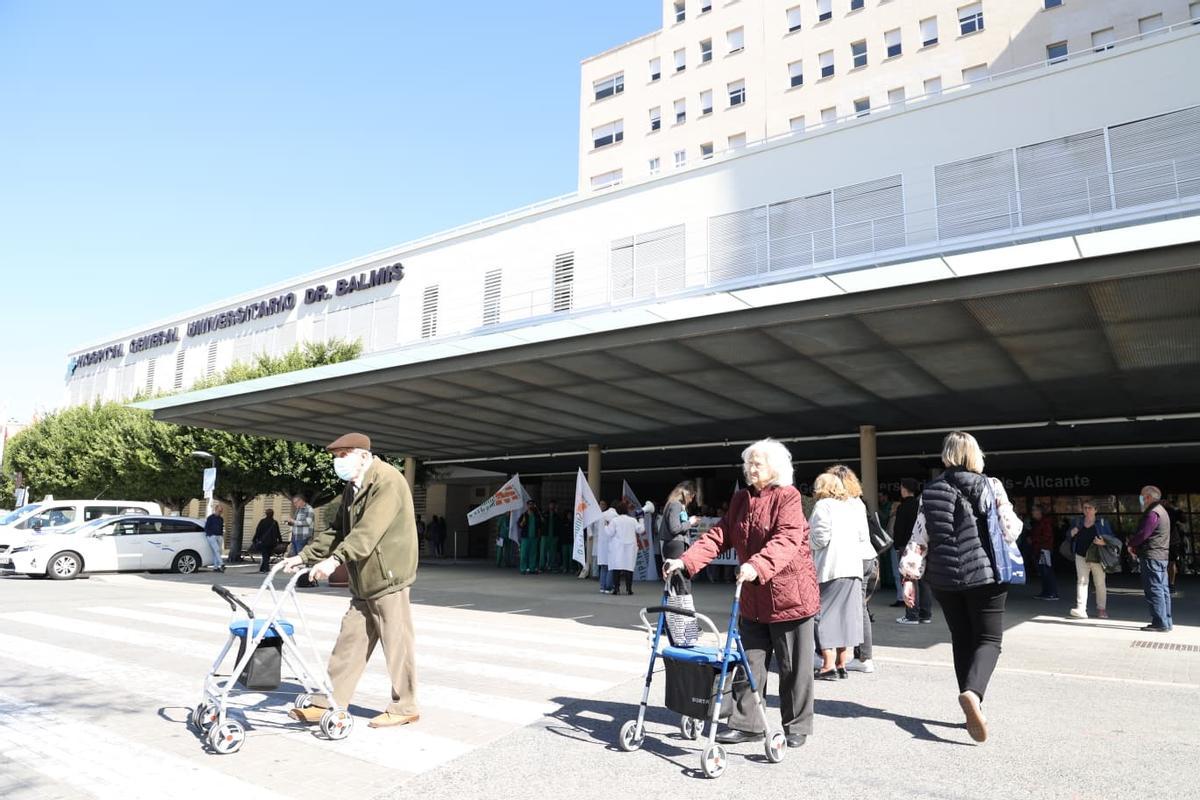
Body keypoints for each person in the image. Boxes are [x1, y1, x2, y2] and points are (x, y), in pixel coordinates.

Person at [663, 438, 818, 750]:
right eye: (748, 463)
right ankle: (748, 725)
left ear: (775, 467)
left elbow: (787, 538)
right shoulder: (741, 499)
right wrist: (686, 561)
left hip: (790, 596)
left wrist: (757, 565)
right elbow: (719, 535)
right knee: (749, 663)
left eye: (757, 463)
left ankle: (796, 725)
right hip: (752, 596)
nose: (750, 469)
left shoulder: (788, 497)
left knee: (793, 667)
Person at [283, 432, 420, 729]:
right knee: (349, 642)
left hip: (388, 576)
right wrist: (304, 556)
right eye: (336, 457)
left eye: (344, 456)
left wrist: (334, 560)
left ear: (364, 455)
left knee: (397, 643)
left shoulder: (387, 481)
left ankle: (405, 706)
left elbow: (367, 532)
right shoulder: (352, 487)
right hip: (364, 580)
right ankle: (329, 702)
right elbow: (338, 530)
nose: (339, 462)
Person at [899, 431, 1022, 744]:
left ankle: (971, 707)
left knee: (961, 639)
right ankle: (973, 694)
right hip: (985, 575)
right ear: (974, 454)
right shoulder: (990, 485)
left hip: (945, 579)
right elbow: (1010, 529)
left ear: (947, 456)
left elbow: (919, 538)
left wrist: (909, 577)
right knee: (989, 640)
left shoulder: (930, 491)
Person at [809, 469, 871, 680]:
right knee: (846, 617)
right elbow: (862, 536)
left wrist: (806, 542)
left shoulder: (823, 505)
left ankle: (828, 665)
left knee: (823, 616)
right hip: (853, 567)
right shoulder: (853, 505)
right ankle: (842, 664)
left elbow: (820, 538)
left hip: (831, 567)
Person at [1127, 485, 1172, 632]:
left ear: (1148, 497)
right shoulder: (1162, 511)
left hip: (1152, 556)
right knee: (1163, 589)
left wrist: (1131, 544)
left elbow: (1144, 533)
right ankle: (1166, 621)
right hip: (1161, 555)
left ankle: (1160, 622)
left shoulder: (1153, 513)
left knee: (1154, 588)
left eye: (1142, 496)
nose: (1141, 499)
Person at [1067, 501, 1119, 620]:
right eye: (1085, 508)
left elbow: (1112, 539)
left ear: (1096, 510)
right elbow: (1068, 536)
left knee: (1099, 583)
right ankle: (1081, 609)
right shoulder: (1078, 522)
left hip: (1097, 557)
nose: (1087, 510)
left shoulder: (1102, 523)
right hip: (1080, 556)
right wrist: (1071, 533)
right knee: (1082, 581)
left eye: (1090, 508)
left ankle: (1101, 609)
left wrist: (1103, 542)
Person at [894, 479, 932, 624]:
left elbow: (899, 528)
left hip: (907, 546)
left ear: (904, 489)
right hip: (922, 544)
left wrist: (897, 545)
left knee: (909, 578)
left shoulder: (902, 507)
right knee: (923, 580)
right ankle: (925, 614)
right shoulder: (919, 505)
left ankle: (912, 614)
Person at [607, 501, 643, 595]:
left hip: (618, 547)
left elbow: (609, 533)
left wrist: (605, 526)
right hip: (630, 547)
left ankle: (616, 589)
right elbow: (641, 530)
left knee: (616, 568)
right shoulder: (632, 520)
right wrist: (641, 519)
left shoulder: (615, 520)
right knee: (629, 568)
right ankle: (629, 589)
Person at [1029, 505, 1058, 601]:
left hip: (1044, 549)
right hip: (1041, 549)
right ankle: (1046, 592)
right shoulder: (1040, 522)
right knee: (1043, 571)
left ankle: (1051, 593)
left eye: (1034, 510)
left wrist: (1034, 540)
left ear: (1039, 512)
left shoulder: (1044, 522)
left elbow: (1046, 536)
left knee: (1047, 571)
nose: (1032, 513)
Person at [251, 509, 282, 573]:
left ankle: (265, 568)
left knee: (265, 555)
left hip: (263, 542)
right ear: (273, 514)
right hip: (272, 542)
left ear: (266, 514)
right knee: (267, 555)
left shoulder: (262, 521)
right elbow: (278, 533)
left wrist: (254, 539)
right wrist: (280, 540)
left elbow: (258, 531)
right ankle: (263, 568)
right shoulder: (275, 522)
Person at [517, 501, 542, 574]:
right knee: (523, 554)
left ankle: (532, 568)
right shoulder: (524, 515)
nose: (531, 506)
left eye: (532, 505)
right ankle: (523, 569)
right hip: (525, 538)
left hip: (534, 537)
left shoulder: (537, 515)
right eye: (529, 505)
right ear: (527, 506)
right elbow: (519, 525)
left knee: (533, 554)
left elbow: (540, 526)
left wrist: (539, 535)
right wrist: (523, 522)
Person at [541, 499, 565, 573]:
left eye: (553, 505)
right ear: (549, 505)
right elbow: (541, 523)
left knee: (553, 552)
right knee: (543, 551)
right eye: (551, 504)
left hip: (554, 536)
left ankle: (551, 566)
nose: (552, 506)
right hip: (545, 535)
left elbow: (560, 525)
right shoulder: (544, 514)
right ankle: (542, 566)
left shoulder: (557, 515)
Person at [204, 503, 225, 573]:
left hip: (219, 536)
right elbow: (206, 527)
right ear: (215, 510)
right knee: (217, 550)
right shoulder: (210, 518)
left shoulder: (221, 519)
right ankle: (221, 564)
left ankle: (215, 567)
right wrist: (210, 535)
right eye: (219, 511)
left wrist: (221, 535)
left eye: (221, 511)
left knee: (217, 552)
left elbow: (221, 527)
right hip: (212, 536)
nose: (220, 512)